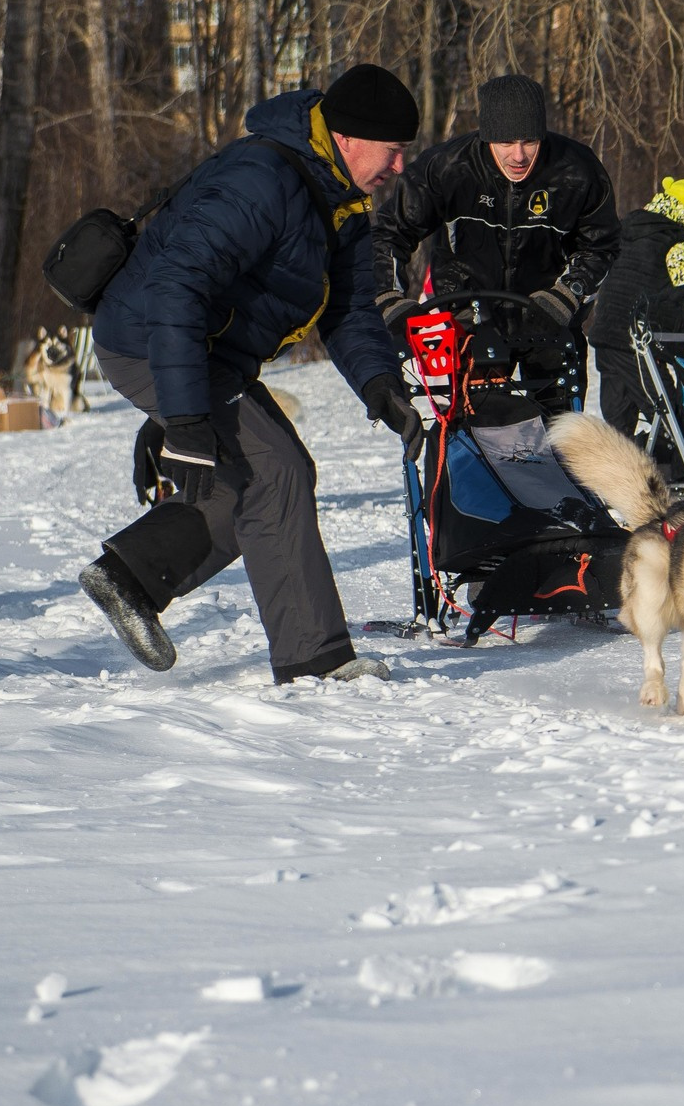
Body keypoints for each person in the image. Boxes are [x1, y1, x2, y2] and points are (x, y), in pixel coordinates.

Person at [78, 64, 425, 681]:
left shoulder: (342, 201)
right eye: (393, 152)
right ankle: (315, 662)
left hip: (205, 350)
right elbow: (175, 288)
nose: (399, 167)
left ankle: (131, 576)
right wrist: (184, 419)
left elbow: (347, 309)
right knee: (278, 472)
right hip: (151, 339)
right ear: (346, 139)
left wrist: (381, 386)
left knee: (258, 478)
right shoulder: (261, 180)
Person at [372, 73, 619, 345]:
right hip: (465, 318)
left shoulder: (577, 171)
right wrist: (389, 297)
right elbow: (390, 233)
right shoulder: (446, 168)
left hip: (550, 315)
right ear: (487, 137)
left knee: (555, 380)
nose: (519, 155)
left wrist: (568, 293)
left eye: (530, 141)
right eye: (506, 143)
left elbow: (600, 245)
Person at [584, 177, 684, 441]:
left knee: (618, 423)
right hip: (639, 341)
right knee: (668, 413)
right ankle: (681, 468)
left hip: (607, 336)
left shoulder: (631, 229)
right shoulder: (676, 241)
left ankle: (618, 475)